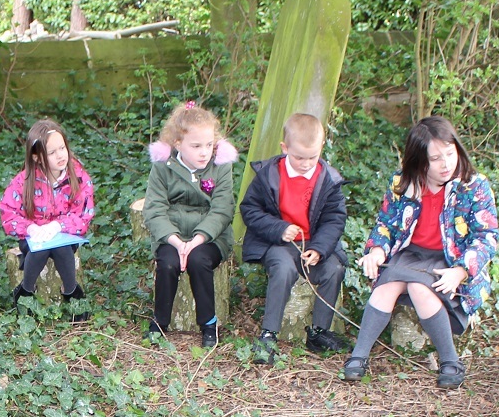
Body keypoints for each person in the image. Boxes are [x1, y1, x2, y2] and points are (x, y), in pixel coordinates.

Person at [342, 115, 499, 389]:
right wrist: (377, 251)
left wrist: (460, 271)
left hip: (450, 259)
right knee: (385, 288)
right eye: (435, 158)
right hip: (412, 254)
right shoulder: (403, 183)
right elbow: (387, 224)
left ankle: (450, 361)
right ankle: (358, 356)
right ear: (418, 160)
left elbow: (486, 237)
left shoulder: (474, 186)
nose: (446, 164)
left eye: (450, 154)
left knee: (418, 288)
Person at [237, 112, 350, 364]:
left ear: (321, 147)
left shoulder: (328, 179)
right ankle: (268, 334)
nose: (306, 163)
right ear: (284, 147)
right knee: (284, 269)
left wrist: (320, 248)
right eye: (299, 157)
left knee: (334, 269)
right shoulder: (269, 174)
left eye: (312, 157)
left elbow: (334, 219)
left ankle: (319, 332)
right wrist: (278, 228)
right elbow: (250, 210)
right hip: (279, 243)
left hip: (313, 243)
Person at [141, 102, 239, 347]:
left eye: (209, 145)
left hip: (210, 237)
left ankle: (208, 323)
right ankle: (160, 321)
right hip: (172, 235)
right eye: (196, 146)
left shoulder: (221, 167)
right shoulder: (163, 169)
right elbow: (154, 209)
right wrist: (175, 241)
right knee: (168, 263)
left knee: (198, 261)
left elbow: (223, 209)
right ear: (178, 145)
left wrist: (197, 240)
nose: (204, 152)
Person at [0, 119, 94, 322]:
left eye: (62, 148)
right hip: (32, 238)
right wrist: (30, 228)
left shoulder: (79, 177)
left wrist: (59, 225)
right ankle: (25, 291)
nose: (60, 155)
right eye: (51, 152)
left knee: (59, 247)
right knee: (41, 248)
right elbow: (8, 213)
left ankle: (71, 292)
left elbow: (84, 213)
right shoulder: (24, 181)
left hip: (65, 237)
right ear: (37, 157)